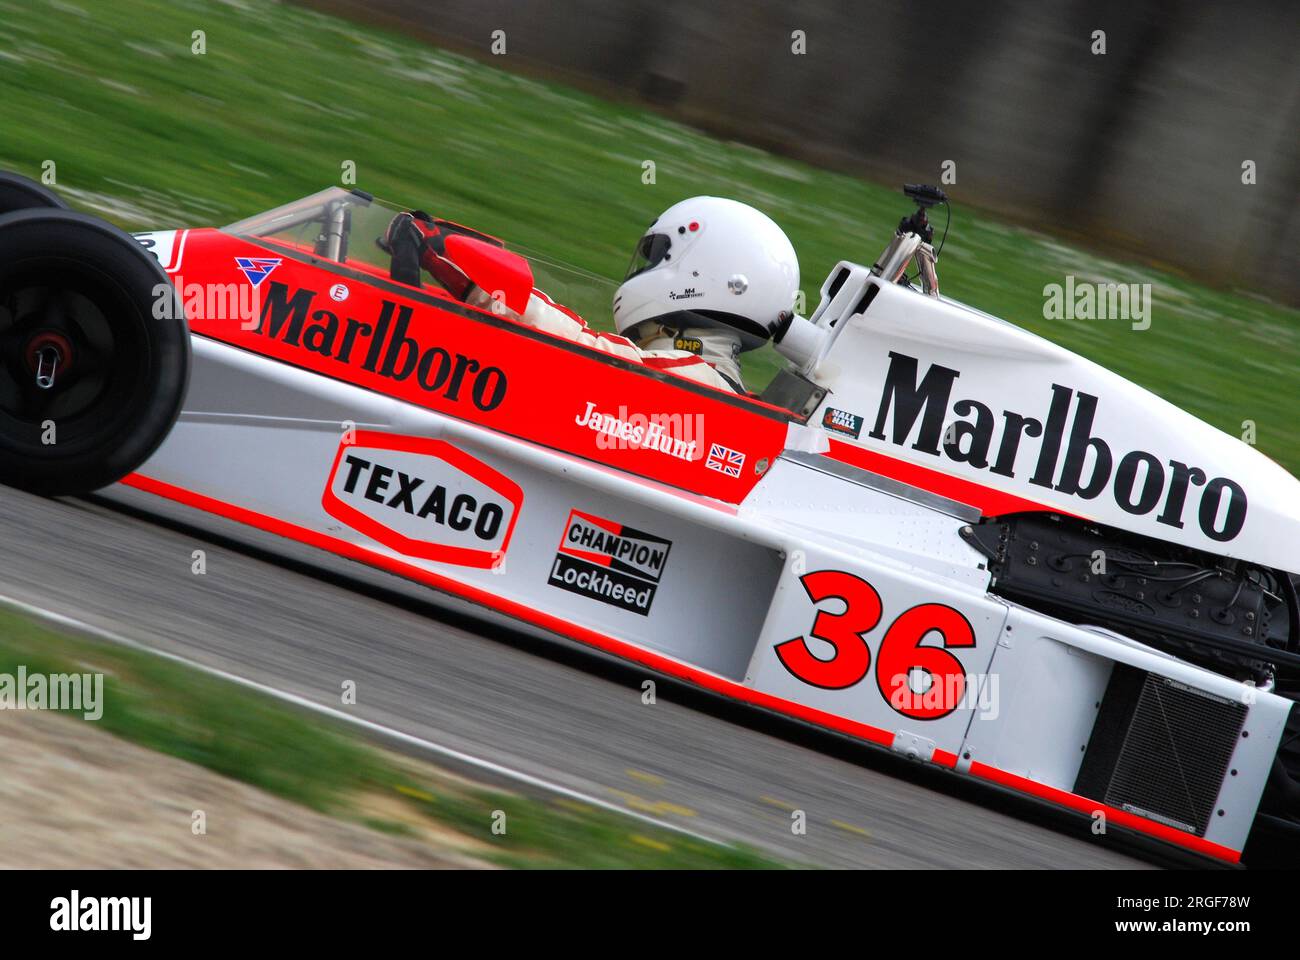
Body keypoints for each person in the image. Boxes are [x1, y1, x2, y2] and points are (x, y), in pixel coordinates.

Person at [383, 196, 799, 394]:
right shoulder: (703, 373)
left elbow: (587, 354)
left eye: (657, 258)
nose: (645, 271)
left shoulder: (698, 379)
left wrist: (484, 283)